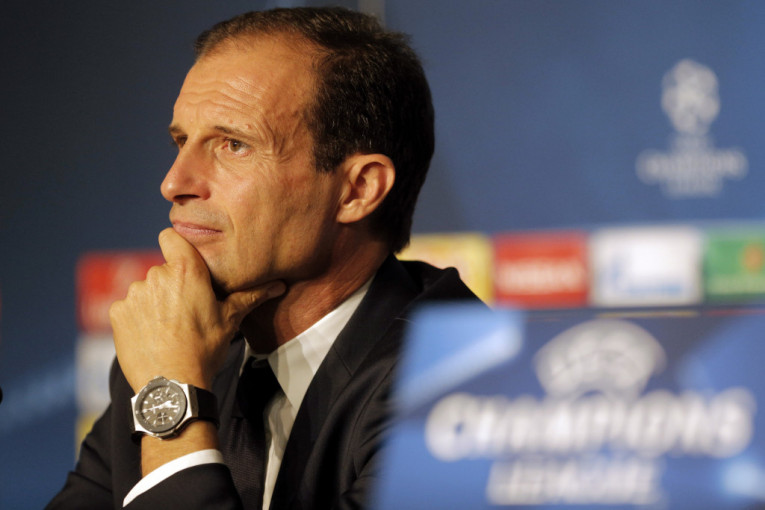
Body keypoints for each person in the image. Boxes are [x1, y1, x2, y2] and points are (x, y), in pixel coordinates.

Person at [47, 7, 480, 510]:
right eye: (182, 141)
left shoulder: (464, 385)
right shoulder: (176, 344)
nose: (174, 182)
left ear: (358, 190)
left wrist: (174, 403)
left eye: (234, 145)